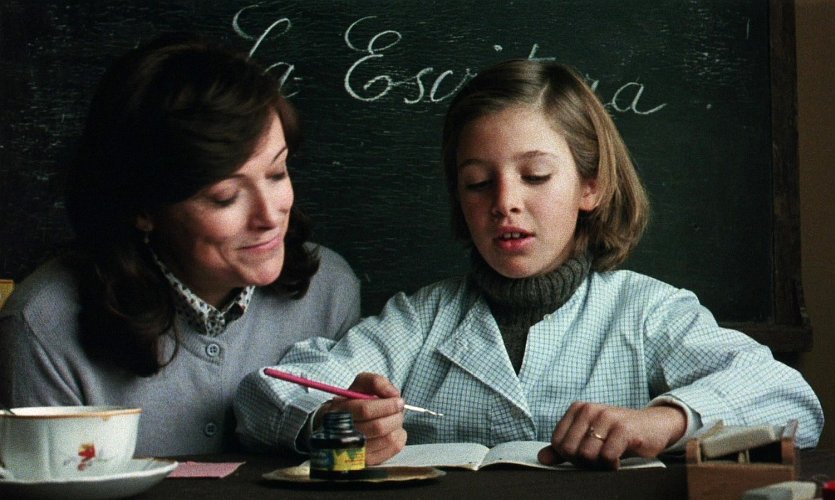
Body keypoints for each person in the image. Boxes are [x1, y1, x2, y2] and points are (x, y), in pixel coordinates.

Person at [233, 59, 823, 469]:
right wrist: (333, 418)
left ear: (590, 185)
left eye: (535, 175)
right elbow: (266, 391)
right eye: (477, 183)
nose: (505, 202)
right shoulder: (417, 319)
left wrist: (662, 422)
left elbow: (789, 397)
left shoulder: (647, 312)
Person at [0, 34, 361, 457]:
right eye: (225, 197)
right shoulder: (43, 326)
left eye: (278, 173)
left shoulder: (329, 290)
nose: (269, 216)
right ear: (143, 207)